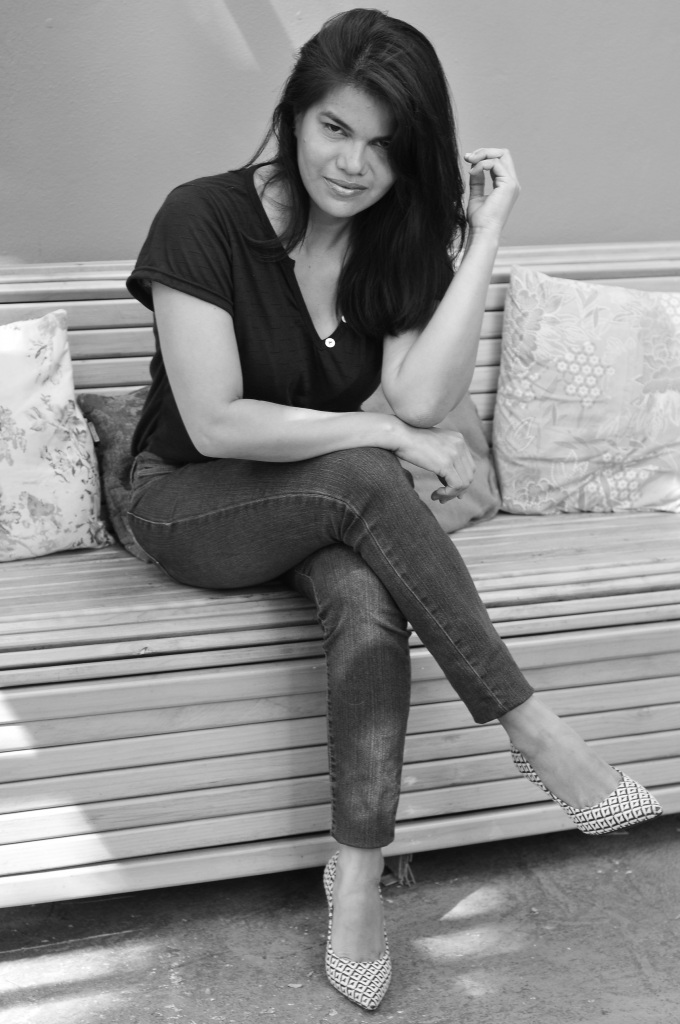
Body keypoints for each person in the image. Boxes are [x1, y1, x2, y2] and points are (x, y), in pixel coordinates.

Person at [126, 9, 662, 1011]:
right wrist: (389, 438)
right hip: (189, 501)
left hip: (318, 505)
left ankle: (359, 880)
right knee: (369, 471)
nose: (353, 164)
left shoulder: (393, 242)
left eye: (383, 146)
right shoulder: (202, 217)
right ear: (294, 115)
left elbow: (419, 396)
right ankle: (537, 732)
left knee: (365, 596)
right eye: (335, 129)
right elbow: (215, 419)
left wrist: (484, 233)